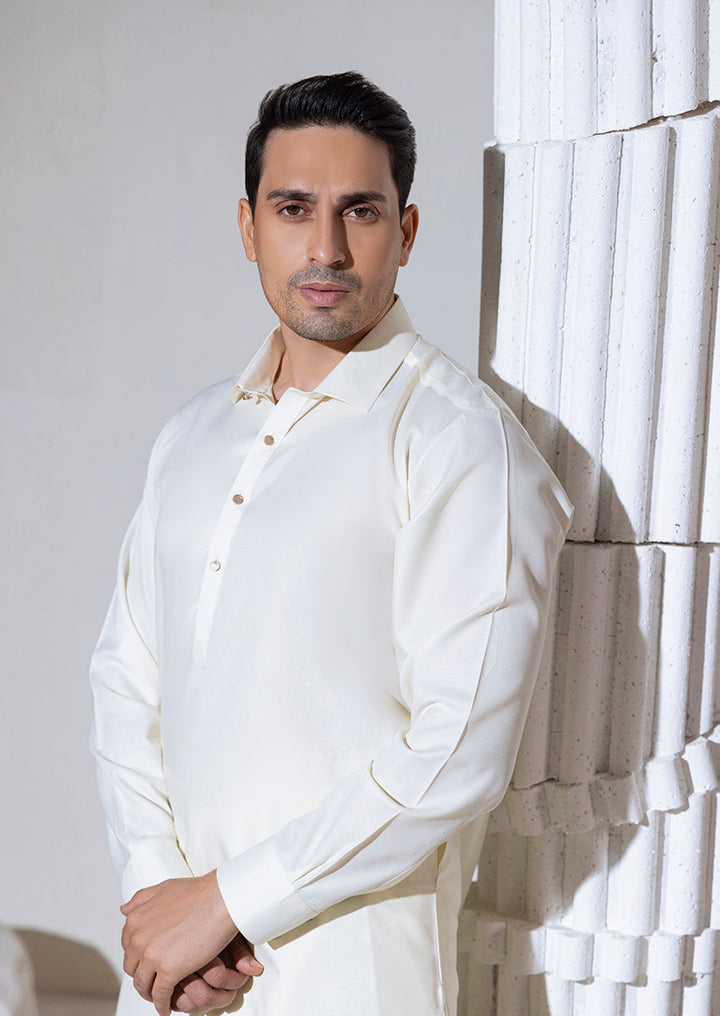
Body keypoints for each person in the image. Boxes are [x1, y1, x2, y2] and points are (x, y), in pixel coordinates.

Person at [89, 71, 572, 1016]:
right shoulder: (192, 435)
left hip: (356, 979)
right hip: (173, 978)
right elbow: (125, 680)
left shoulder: (459, 442)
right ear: (247, 228)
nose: (326, 248)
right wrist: (162, 902)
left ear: (407, 231)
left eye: (361, 211)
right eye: (293, 209)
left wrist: (228, 903)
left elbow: (458, 751)